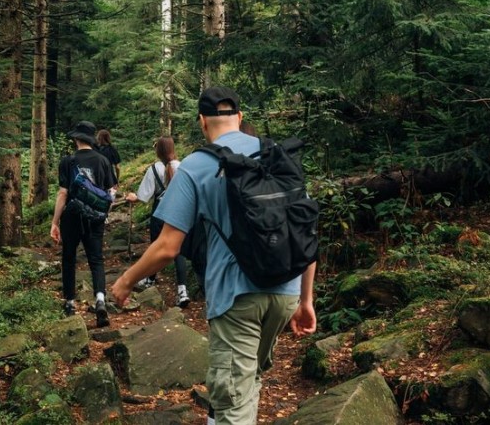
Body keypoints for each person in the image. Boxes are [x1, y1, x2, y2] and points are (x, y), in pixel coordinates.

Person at [111, 87, 317, 425]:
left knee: (232, 404)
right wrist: (306, 299)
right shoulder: (277, 156)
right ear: (240, 117)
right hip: (287, 292)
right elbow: (305, 230)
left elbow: (168, 247)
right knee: (246, 384)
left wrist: (124, 281)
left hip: (236, 300)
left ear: (202, 122)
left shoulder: (195, 166)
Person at [51, 120, 118, 327]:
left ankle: (70, 303)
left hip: (71, 215)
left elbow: (63, 193)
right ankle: (100, 300)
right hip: (95, 217)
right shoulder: (102, 160)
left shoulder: (67, 161)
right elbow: (110, 192)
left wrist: (54, 222)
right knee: (96, 259)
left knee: (69, 257)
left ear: (76, 139)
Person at [124, 135, 190, 308]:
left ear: (158, 150)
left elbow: (143, 197)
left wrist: (132, 197)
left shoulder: (153, 169)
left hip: (160, 214)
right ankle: (183, 291)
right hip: (179, 214)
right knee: (179, 252)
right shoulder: (183, 167)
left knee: (156, 247)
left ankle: (150, 280)